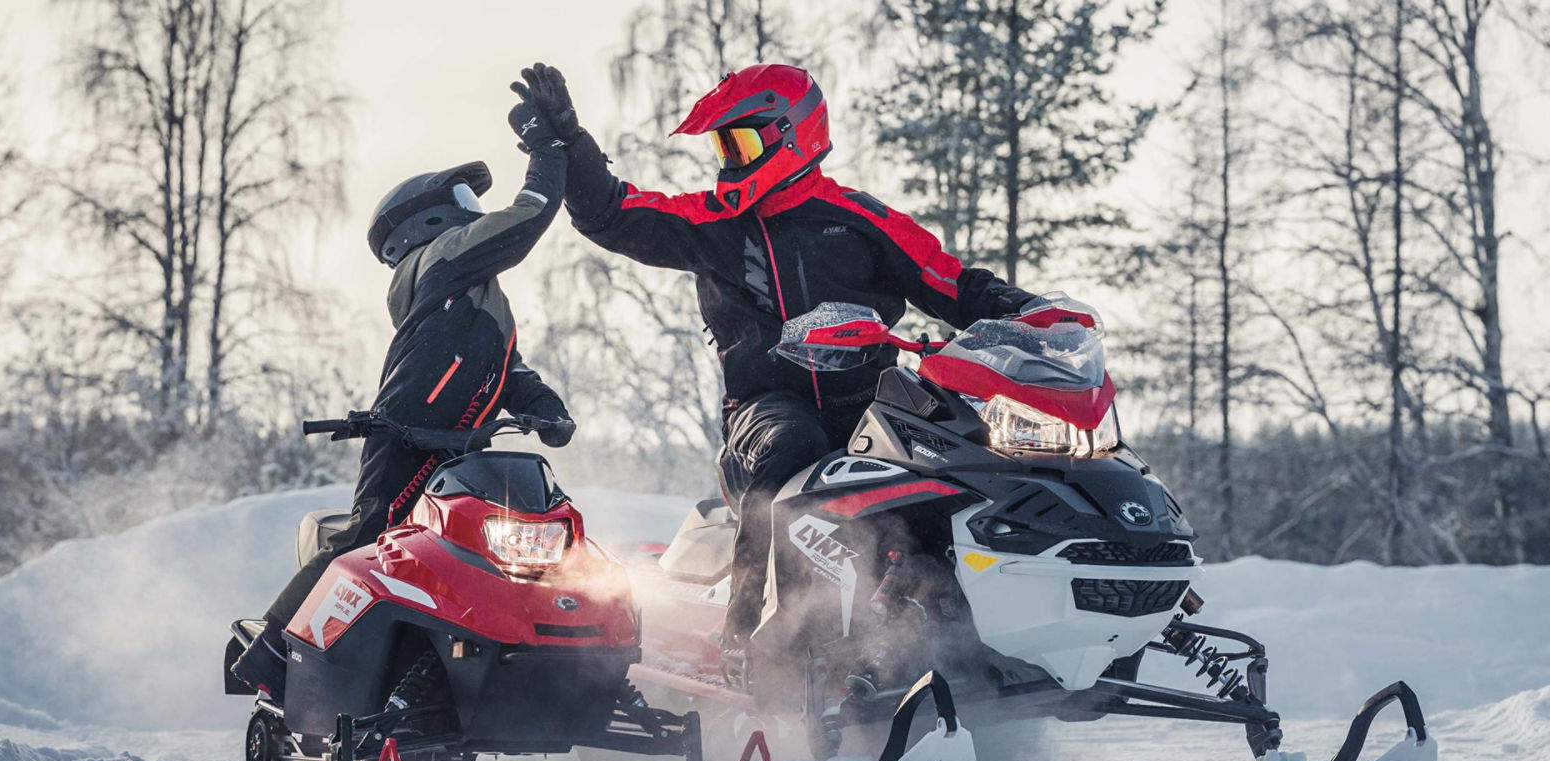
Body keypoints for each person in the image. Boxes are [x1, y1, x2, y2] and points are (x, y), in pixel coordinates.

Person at [511, 63, 1044, 664]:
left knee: (961, 446)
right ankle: (756, 637)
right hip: (764, 411)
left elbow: (951, 282)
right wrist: (566, 139)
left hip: (872, 407)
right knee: (795, 442)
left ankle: (986, 628)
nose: (729, 160)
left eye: (742, 142)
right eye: (723, 145)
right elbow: (613, 213)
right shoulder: (713, 223)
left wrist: (1037, 314)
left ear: (794, 135)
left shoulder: (860, 219)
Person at [229, 91, 577, 700]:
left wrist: (541, 403)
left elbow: (504, 364)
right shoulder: (442, 258)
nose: (477, 213)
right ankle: (271, 657)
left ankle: (479, 669)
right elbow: (527, 218)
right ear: (426, 223)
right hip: (409, 432)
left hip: (457, 444)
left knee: (486, 551)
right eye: (465, 202)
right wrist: (547, 151)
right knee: (370, 538)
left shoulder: (470, 290)